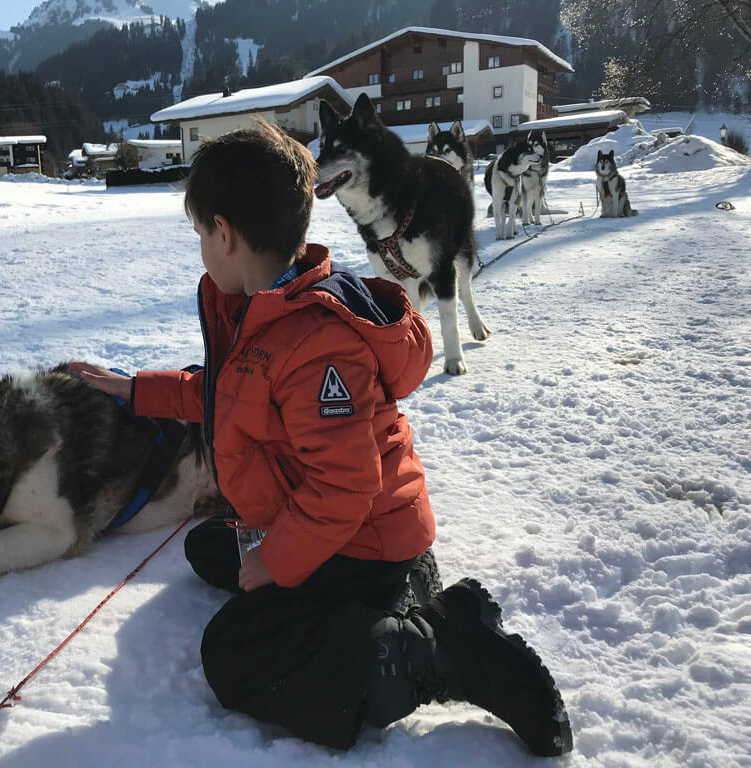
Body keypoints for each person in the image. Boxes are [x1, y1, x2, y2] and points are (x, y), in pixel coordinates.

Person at [69, 122, 572, 757]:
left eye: (200, 233)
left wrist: (275, 559)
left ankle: (444, 649)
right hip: (345, 524)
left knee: (233, 652)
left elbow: (347, 486)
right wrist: (136, 390)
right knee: (210, 549)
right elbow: (231, 393)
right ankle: (393, 595)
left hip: (366, 536)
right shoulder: (261, 303)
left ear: (224, 232)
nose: (200, 248)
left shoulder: (313, 343)